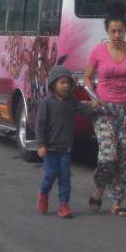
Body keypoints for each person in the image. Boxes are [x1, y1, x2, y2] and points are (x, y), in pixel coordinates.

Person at [83, 3, 126, 217]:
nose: (116, 35)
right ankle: (98, 189)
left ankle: (116, 203)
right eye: (112, 31)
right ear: (106, 31)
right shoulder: (98, 51)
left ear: (125, 30)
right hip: (104, 109)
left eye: (120, 30)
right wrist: (93, 98)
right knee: (108, 155)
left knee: (123, 156)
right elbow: (86, 78)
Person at [35, 65, 97, 218]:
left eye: (68, 83)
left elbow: (84, 112)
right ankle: (43, 193)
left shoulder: (72, 101)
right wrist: (41, 145)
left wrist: (93, 106)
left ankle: (64, 205)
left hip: (66, 148)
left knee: (65, 176)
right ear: (53, 84)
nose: (65, 86)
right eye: (62, 82)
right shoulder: (46, 103)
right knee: (50, 174)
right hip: (50, 148)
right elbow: (40, 125)